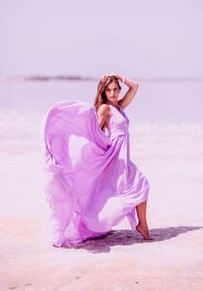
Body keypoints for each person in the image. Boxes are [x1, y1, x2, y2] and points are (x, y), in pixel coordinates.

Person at [44, 73, 152, 247]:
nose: (113, 93)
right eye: (109, 90)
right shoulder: (105, 109)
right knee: (140, 185)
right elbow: (96, 133)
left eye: (115, 89)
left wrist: (117, 76)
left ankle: (142, 225)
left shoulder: (120, 106)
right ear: (103, 92)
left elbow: (136, 86)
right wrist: (97, 152)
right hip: (115, 155)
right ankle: (142, 226)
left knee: (139, 186)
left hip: (124, 156)